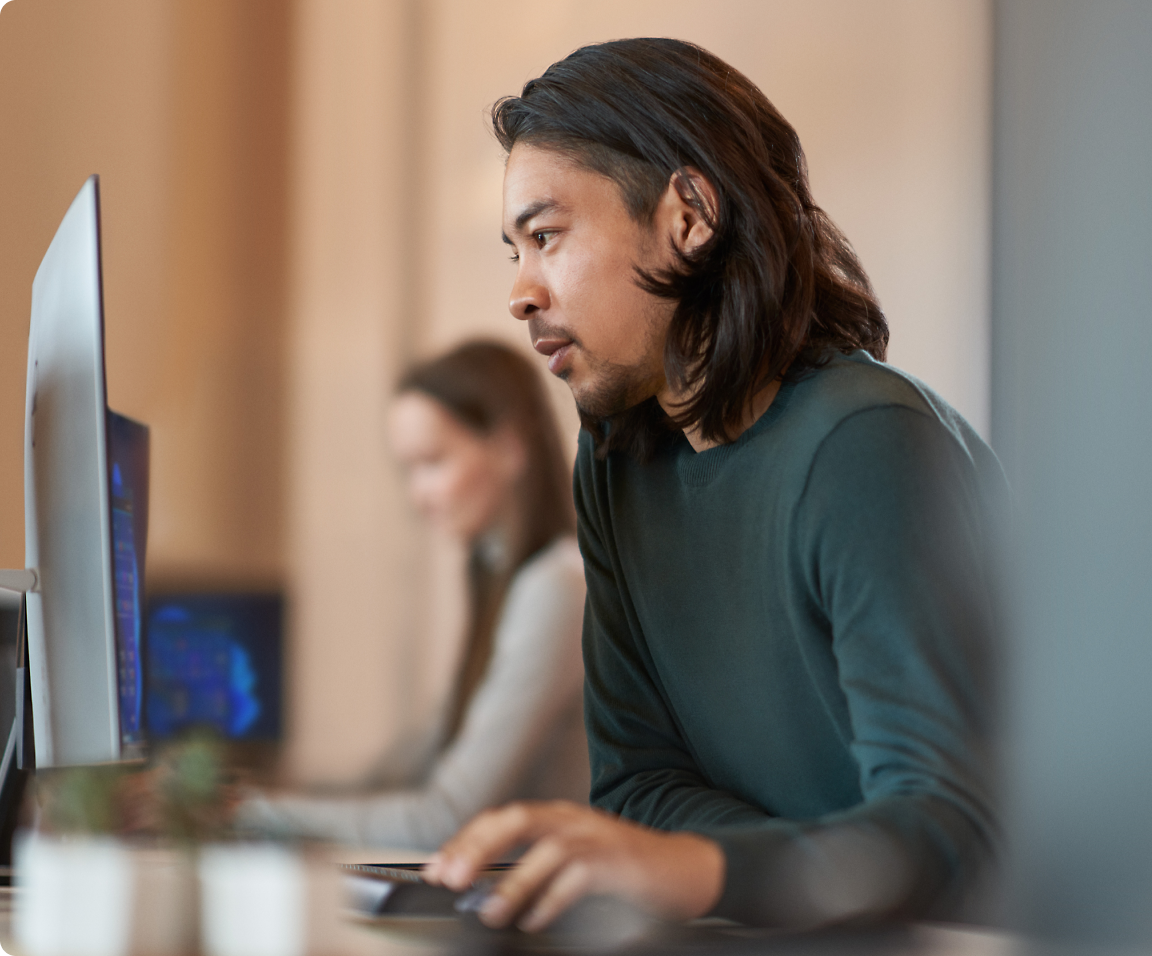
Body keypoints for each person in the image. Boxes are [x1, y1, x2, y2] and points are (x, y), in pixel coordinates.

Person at [423, 39, 1006, 932]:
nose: (521, 293)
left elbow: (952, 834)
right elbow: (637, 787)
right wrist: (767, 869)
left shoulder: (866, 443)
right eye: (514, 251)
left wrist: (708, 868)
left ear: (688, 215)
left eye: (545, 237)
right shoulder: (617, 462)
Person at [238, 340, 590, 849]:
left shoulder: (555, 587)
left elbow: (445, 817)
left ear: (510, 448)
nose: (416, 497)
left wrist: (254, 813)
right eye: (408, 471)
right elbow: (405, 770)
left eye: (431, 462)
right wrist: (258, 799)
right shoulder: (498, 577)